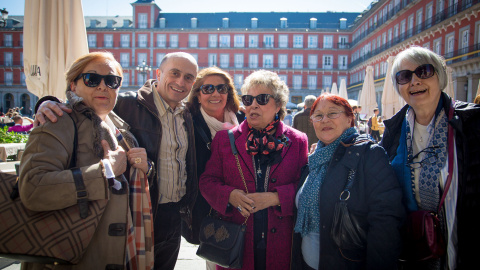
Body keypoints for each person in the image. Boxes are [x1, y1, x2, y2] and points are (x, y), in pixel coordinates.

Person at [34, 52, 199, 270]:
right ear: (158, 74)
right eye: (175, 73)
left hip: (172, 217)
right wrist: (47, 103)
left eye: (188, 77)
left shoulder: (186, 113)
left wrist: (149, 167)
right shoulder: (126, 104)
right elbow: (83, 106)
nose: (181, 82)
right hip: (135, 214)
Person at [18, 52, 153, 269]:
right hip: (70, 257)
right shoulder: (56, 121)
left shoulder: (121, 130)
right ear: (73, 85)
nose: (103, 86)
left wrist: (147, 167)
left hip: (118, 252)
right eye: (92, 79)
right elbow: (32, 188)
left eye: (111, 81)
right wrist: (106, 171)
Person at [380, 46, 480, 269]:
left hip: (463, 247)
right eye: (404, 76)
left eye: (424, 71)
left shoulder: (472, 123)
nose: (414, 81)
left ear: (440, 77)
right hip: (412, 248)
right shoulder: (394, 130)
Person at [199, 70, 309, 270]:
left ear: (278, 104)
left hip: (281, 240)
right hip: (236, 239)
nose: (253, 105)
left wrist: (276, 198)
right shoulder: (225, 139)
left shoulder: (298, 140)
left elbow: (305, 186)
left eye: (262, 98)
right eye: (248, 99)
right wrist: (229, 194)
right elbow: (207, 181)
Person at [291, 93, 404, 270]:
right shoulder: (313, 160)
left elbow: (385, 222)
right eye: (318, 115)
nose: (325, 120)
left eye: (333, 113)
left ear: (349, 119)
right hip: (307, 264)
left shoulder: (369, 155)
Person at [184, 66, 243, 270]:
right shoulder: (188, 123)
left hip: (243, 203)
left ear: (229, 93)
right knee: (218, 258)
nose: (215, 93)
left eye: (221, 88)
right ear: (198, 95)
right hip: (208, 206)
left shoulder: (243, 120)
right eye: (208, 88)